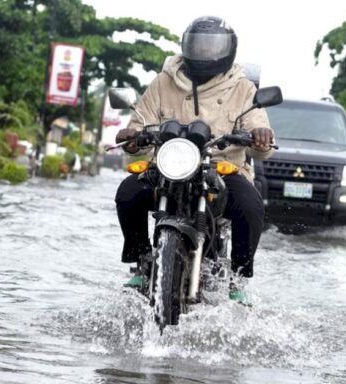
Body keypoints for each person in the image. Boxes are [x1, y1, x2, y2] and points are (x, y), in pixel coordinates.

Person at [114, 16, 275, 303]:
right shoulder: (163, 82)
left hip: (222, 168)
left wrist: (260, 134)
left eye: (212, 47)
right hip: (168, 166)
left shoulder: (243, 88)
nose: (205, 54)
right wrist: (133, 135)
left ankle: (238, 278)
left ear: (228, 49)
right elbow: (138, 129)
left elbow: (261, 143)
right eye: (199, 46)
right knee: (128, 193)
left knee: (250, 205)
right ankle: (140, 259)